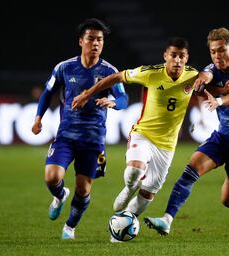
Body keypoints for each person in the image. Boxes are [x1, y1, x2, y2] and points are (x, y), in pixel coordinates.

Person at [143, 27, 229, 236]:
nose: (217, 55)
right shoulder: (212, 68)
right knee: (190, 170)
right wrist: (201, 81)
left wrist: (220, 100)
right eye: (213, 51)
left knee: (228, 201)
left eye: (222, 50)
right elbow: (205, 75)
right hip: (223, 137)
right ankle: (166, 220)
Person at [71, 37, 198, 241]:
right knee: (135, 170)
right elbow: (116, 77)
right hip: (144, 134)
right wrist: (87, 94)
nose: (177, 60)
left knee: (148, 194)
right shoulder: (150, 73)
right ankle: (129, 187)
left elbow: (205, 88)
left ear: (187, 58)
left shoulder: (193, 76)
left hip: (167, 146)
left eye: (181, 56)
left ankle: (121, 228)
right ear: (165, 56)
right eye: (173, 55)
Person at [31, 18, 128, 240]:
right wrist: (38, 118)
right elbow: (47, 93)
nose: (96, 43)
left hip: (93, 139)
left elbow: (123, 98)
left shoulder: (109, 71)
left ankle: (69, 228)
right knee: (51, 177)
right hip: (66, 135)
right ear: (81, 41)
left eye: (100, 40)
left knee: (83, 189)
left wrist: (114, 103)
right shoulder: (64, 68)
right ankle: (59, 195)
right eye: (91, 39)